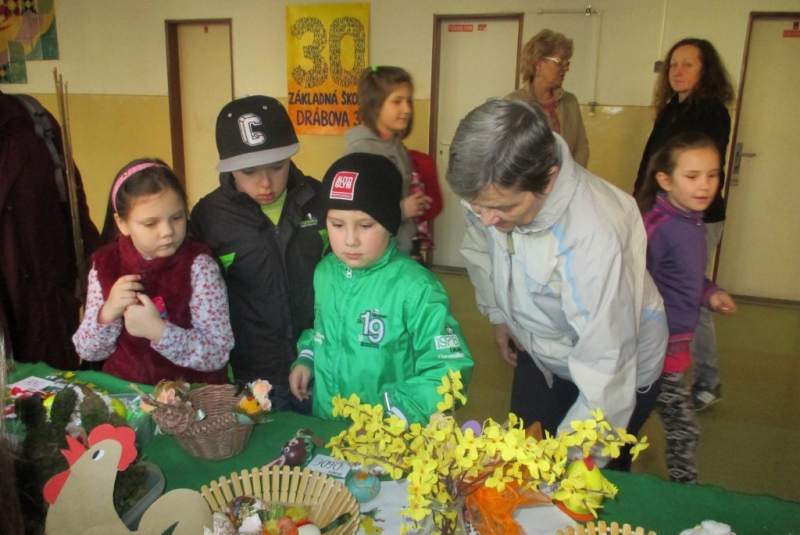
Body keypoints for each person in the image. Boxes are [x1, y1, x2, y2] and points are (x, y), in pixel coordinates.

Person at [448, 99, 667, 469]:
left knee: (587, 485)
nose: (485, 218)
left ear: (548, 178)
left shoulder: (594, 234)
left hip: (616, 367)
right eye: (475, 205)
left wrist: (560, 471)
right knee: (521, 457)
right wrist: (499, 314)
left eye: (503, 209)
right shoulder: (491, 190)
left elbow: (606, 374)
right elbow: (481, 249)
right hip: (542, 348)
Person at [288, 153, 473, 424]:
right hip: (329, 424)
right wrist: (307, 358)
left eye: (365, 225)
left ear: (389, 224)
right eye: (337, 225)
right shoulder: (325, 272)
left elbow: (449, 366)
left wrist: (402, 414)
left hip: (394, 439)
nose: (350, 240)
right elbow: (323, 331)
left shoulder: (416, 288)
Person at [191, 95, 324, 410]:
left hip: (320, 364)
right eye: (249, 171)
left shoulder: (319, 200)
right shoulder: (209, 217)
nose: (266, 182)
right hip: (251, 374)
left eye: (277, 167)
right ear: (230, 169)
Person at [632, 38, 735, 411]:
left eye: (688, 64)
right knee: (662, 291)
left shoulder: (709, 111)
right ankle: (660, 368)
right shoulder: (672, 108)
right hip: (661, 211)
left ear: (705, 71)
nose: (677, 71)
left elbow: (699, 174)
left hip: (695, 218)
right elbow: (653, 163)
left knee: (691, 294)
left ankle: (706, 379)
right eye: (673, 64)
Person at [73, 159, 232, 385]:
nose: (167, 231)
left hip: (192, 402)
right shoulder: (104, 264)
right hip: (127, 398)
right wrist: (108, 312)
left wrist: (159, 331)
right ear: (122, 223)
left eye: (176, 218)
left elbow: (218, 353)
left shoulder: (200, 266)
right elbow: (88, 352)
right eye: (150, 223)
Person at [635, 132, 737, 482]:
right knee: (682, 429)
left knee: (634, 416)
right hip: (654, 349)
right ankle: (686, 491)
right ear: (665, 180)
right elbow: (630, 284)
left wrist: (710, 293)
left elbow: (688, 277)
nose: (705, 185)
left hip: (675, 347)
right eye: (692, 176)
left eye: (713, 175)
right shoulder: (656, 227)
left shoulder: (693, 222)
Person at [0, 90, 100, 370]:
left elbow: (73, 208)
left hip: (45, 309)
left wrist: (90, 277)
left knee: (54, 402)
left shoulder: (31, 120)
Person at [343, 66, 433, 255]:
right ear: (374, 105)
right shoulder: (363, 150)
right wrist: (403, 209)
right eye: (397, 101)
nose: (407, 109)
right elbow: (355, 212)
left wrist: (413, 199)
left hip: (401, 248)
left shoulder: (395, 144)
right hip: (379, 256)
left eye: (408, 101)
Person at [506, 29, 589, 168]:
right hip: (529, 186)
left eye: (567, 63)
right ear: (538, 63)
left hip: (568, 183)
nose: (565, 68)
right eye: (559, 61)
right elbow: (507, 155)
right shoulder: (513, 103)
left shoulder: (570, 102)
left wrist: (568, 177)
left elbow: (582, 147)